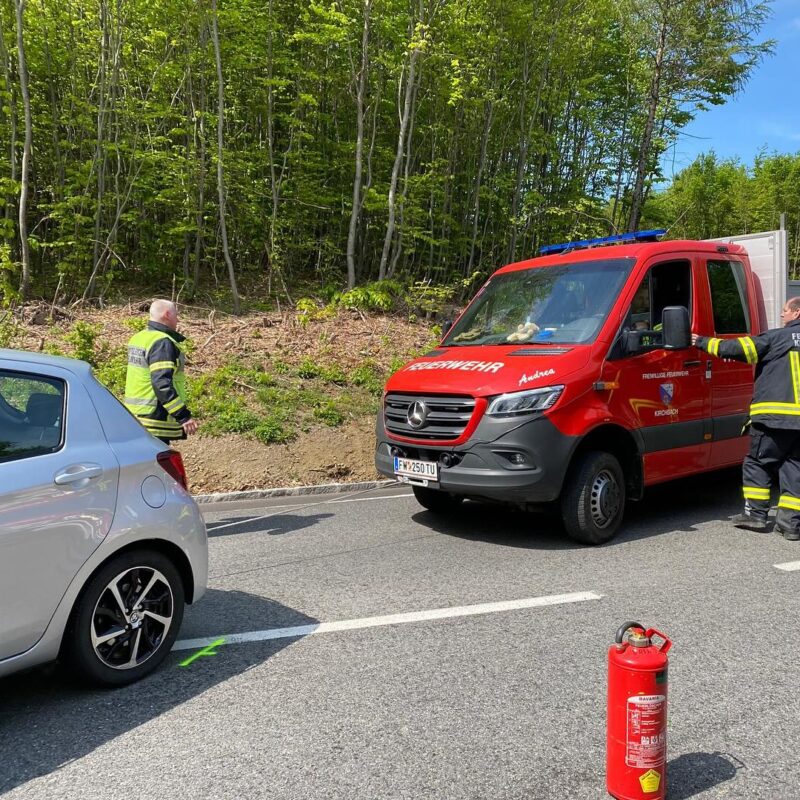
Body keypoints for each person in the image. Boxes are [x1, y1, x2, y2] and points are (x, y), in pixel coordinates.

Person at [692, 297, 800, 540]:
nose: (782, 316)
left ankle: (756, 515)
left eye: (785, 311)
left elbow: (739, 349)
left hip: (774, 418)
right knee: (795, 466)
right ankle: (791, 525)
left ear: (796, 312)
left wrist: (702, 342)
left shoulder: (776, 338)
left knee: (758, 462)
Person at [124, 299, 198, 444]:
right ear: (167, 314)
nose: (178, 319)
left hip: (135, 417)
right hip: (155, 419)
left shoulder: (139, 338)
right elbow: (162, 383)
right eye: (176, 315)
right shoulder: (162, 342)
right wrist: (183, 416)